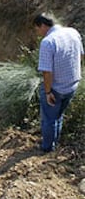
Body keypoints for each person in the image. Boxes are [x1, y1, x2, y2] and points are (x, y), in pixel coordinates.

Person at [34, 13, 84, 153]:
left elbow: (47, 72)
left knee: (49, 119)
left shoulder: (48, 42)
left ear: (43, 25)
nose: (38, 33)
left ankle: (47, 148)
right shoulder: (73, 32)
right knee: (58, 116)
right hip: (72, 84)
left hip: (56, 88)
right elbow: (80, 55)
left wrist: (48, 91)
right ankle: (53, 142)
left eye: (37, 29)